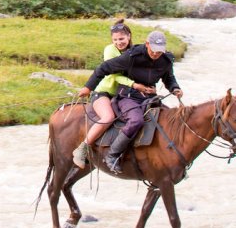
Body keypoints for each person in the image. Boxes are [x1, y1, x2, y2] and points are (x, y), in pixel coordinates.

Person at [77, 29, 184, 174]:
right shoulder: (133, 56)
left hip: (149, 98)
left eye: (159, 51)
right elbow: (104, 68)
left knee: (169, 119)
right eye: (153, 50)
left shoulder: (165, 60)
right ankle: (112, 154)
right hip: (127, 97)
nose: (155, 54)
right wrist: (88, 88)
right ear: (147, 44)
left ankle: (169, 159)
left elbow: (169, 78)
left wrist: (175, 88)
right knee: (136, 120)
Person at [72, 19, 135, 168]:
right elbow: (114, 75)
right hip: (103, 93)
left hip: (121, 95)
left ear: (129, 37)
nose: (119, 42)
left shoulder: (133, 51)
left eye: (122, 39)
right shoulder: (110, 50)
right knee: (108, 117)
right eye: (115, 40)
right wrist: (134, 84)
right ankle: (82, 148)